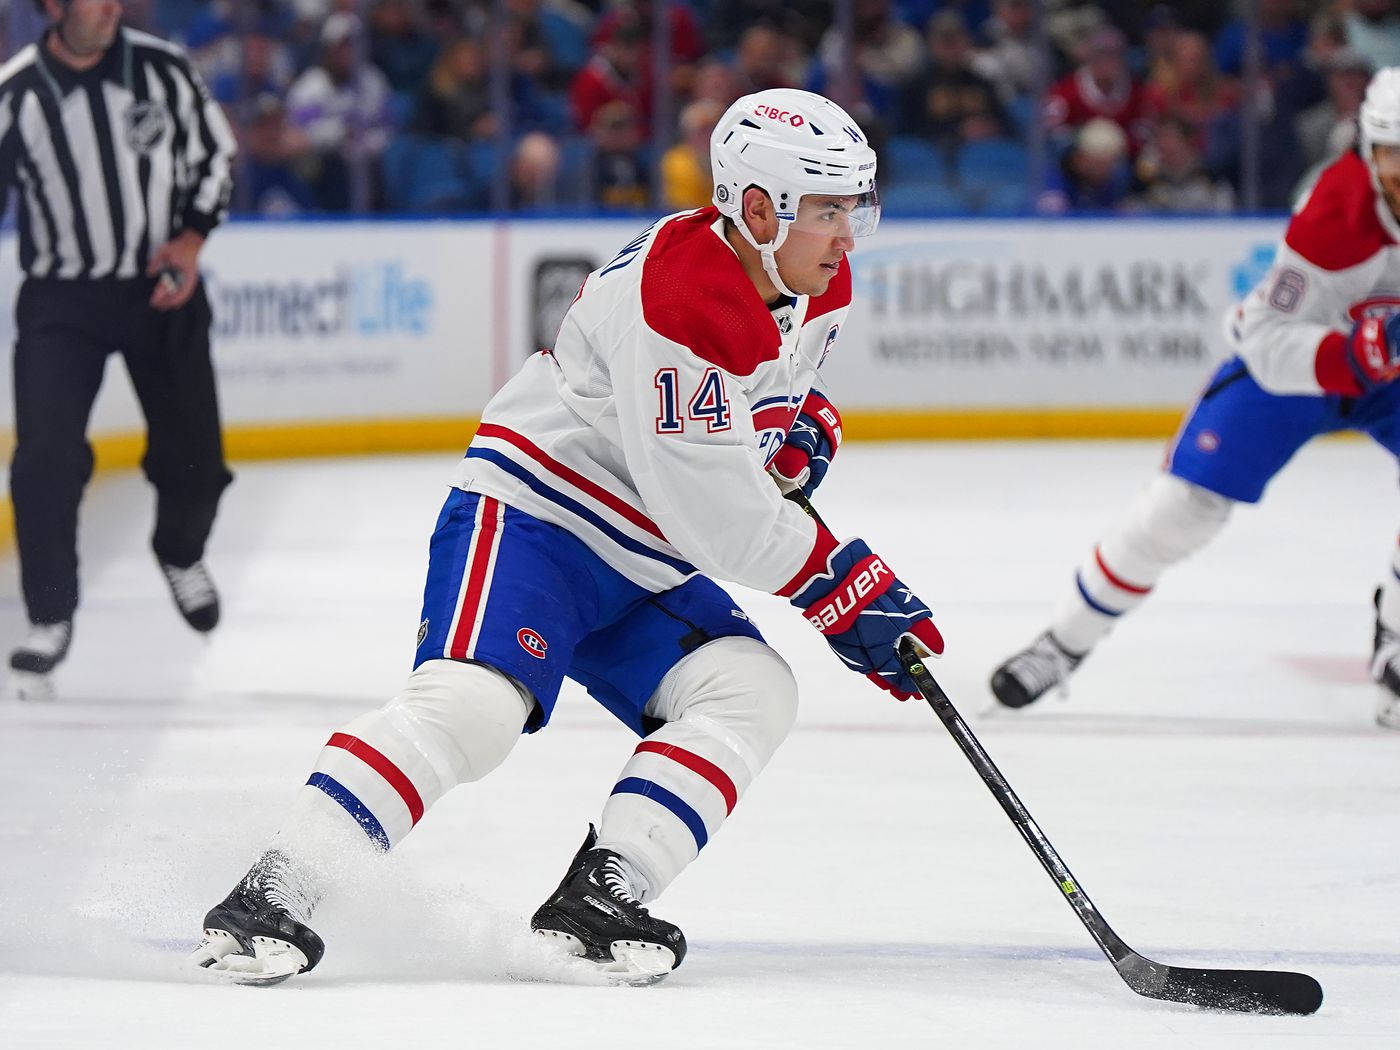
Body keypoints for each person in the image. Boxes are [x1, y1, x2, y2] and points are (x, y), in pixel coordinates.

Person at [189, 87, 943, 986]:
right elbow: (721, 518)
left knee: (749, 690)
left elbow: (767, 402)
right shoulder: (681, 296)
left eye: (855, 209)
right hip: (537, 516)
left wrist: (801, 422)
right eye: (827, 213)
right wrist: (839, 587)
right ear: (754, 210)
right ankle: (276, 888)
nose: (848, 236)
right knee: (474, 708)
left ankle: (601, 896)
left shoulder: (816, 276)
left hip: (642, 548)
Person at [990, 67, 1400, 730]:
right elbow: (1268, 338)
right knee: (1182, 510)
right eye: (1396, 158)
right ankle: (1062, 643)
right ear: (1368, 150)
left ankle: (1397, 644)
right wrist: (1353, 355)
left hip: (1388, 372)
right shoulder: (1336, 210)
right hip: (1298, 368)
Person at [0, 0, 235, 703]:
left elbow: (216, 158)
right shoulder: (17, 93)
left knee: (195, 455)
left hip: (162, 288)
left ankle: (181, 551)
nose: (108, 8)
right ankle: (49, 614)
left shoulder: (161, 70)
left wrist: (190, 241)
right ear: (52, 6)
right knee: (44, 457)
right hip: (62, 299)